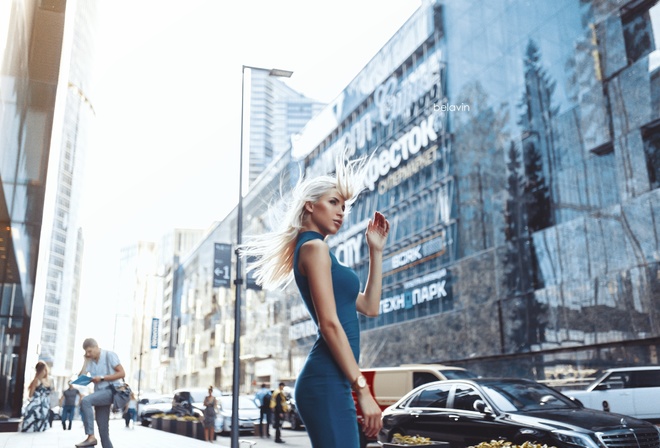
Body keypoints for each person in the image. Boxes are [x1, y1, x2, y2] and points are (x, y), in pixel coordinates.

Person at [240, 149, 390, 447]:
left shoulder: (322, 252)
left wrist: (376, 251)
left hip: (333, 380)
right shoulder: (313, 249)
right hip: (326, 380)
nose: (341, 212)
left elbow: (370, 308)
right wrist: (362, 388)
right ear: (310, 205)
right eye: (334, 202)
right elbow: (329, 325)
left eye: (344, 206)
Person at [75, 338, 126, 448]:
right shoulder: (90, 361)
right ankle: (92, 440)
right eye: (86, 352)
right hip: (100, 395)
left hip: (112, 390)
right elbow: (80, 377)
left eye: (90, 351)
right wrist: (85, 361)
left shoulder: (109, 355)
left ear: (96, 347)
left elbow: (122, 373)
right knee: (103, 433)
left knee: (85, 401)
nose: (88, 354)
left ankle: (90, 436)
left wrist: (102, 378)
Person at [21, 361, 52, 432]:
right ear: (40, 370)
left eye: (46, 370)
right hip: (37, 403)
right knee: (36, 417)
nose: (45, 372)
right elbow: (30, 395)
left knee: (42, 420)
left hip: (45, 404)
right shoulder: (36, 380)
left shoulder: (49, 380)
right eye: (44, 370)